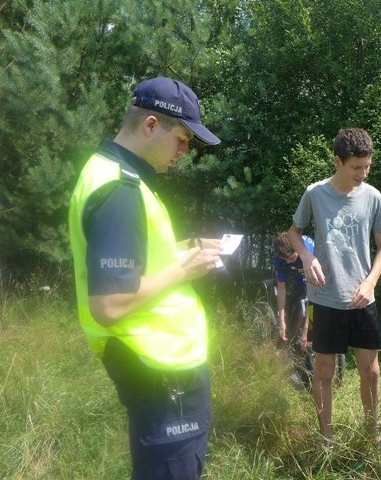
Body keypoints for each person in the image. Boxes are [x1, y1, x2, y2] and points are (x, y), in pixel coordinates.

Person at [68, 77, 223, 480]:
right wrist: (184, 269)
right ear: (151, 125)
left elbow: (135, 263)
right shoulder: (120, 190)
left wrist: (185, 248)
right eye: (183, 139)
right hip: (160, 369)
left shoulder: (111, 173)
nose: (185, 152)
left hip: (161, 367)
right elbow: (110, 304)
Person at [287, 127, 381, 457]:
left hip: (362, 297)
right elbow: (293, 233)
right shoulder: (315, 194)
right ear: (337, 161)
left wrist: (370, 282)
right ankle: (327, 438)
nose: (363, 174)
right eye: (356, 167)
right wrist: (306, 256)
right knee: (324, 371)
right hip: (325, 298)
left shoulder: (373, 196)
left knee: (372, 371)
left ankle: (373, 434)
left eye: (367, 166)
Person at [273, 232, 315, 347]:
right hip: (299, 279)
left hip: (316, 277)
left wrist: (308, 328)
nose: (287, 262)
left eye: (291, 258)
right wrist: (281, 321)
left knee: (309, 312)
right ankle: (293, 338)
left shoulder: (308, 251)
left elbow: (313, 294)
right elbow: (281, 288)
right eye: (284, 260)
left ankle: (307, 334)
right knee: (295, 306)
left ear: (297, 249)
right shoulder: (280, 258)